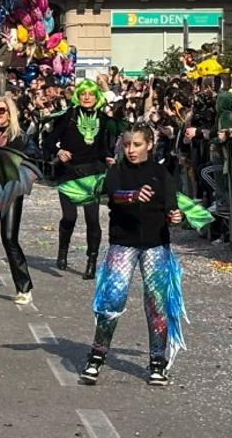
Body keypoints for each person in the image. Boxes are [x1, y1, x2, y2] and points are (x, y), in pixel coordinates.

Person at [79, 124, 186, 387]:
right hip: (122, 244)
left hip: (156, 245)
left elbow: (171, 207)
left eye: (137, 144)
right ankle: (96, 356)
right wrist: (135, 196)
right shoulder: (116, 171)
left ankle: (158, 363)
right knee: (111, 300)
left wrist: (175, 216)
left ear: (149, 144)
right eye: (127, 145)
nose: (131, 150)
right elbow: (114, 197)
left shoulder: (161, 173)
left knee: (157, 303)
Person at [43, 79, 117, 279]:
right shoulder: (69, 115)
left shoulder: (102, 118)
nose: (86, 97)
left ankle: (91, 262)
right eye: (83, 93)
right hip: (69, 171)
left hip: (91, 173)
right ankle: (63, 249)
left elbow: (101, 147)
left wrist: (107, 156)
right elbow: (47, 140)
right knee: (70, 217)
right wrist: (59, 151)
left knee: (92, 219)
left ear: (97, 97)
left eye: (91, 94)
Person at [0, 96, 37, 305]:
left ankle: (24, 286)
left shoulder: (20, 138)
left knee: (9, 237)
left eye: (1, 110)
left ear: (10, 113)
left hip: (11, 189)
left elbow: (35, 155)